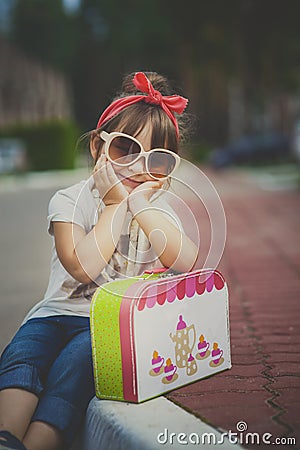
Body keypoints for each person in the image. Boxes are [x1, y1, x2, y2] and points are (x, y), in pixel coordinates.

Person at [0, 71, 198, 450]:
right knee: (23, 354)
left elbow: (186, 260)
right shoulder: (70, 200)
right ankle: (6, 434)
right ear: (98, 147)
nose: (138, 167)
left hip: (108, 327)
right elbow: (82, 266)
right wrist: (113, 206)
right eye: (125, 149)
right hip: (53, 315)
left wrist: (138, 203)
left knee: (74, 370)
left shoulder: (156, 210)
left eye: (157, 159)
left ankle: (37, 443)